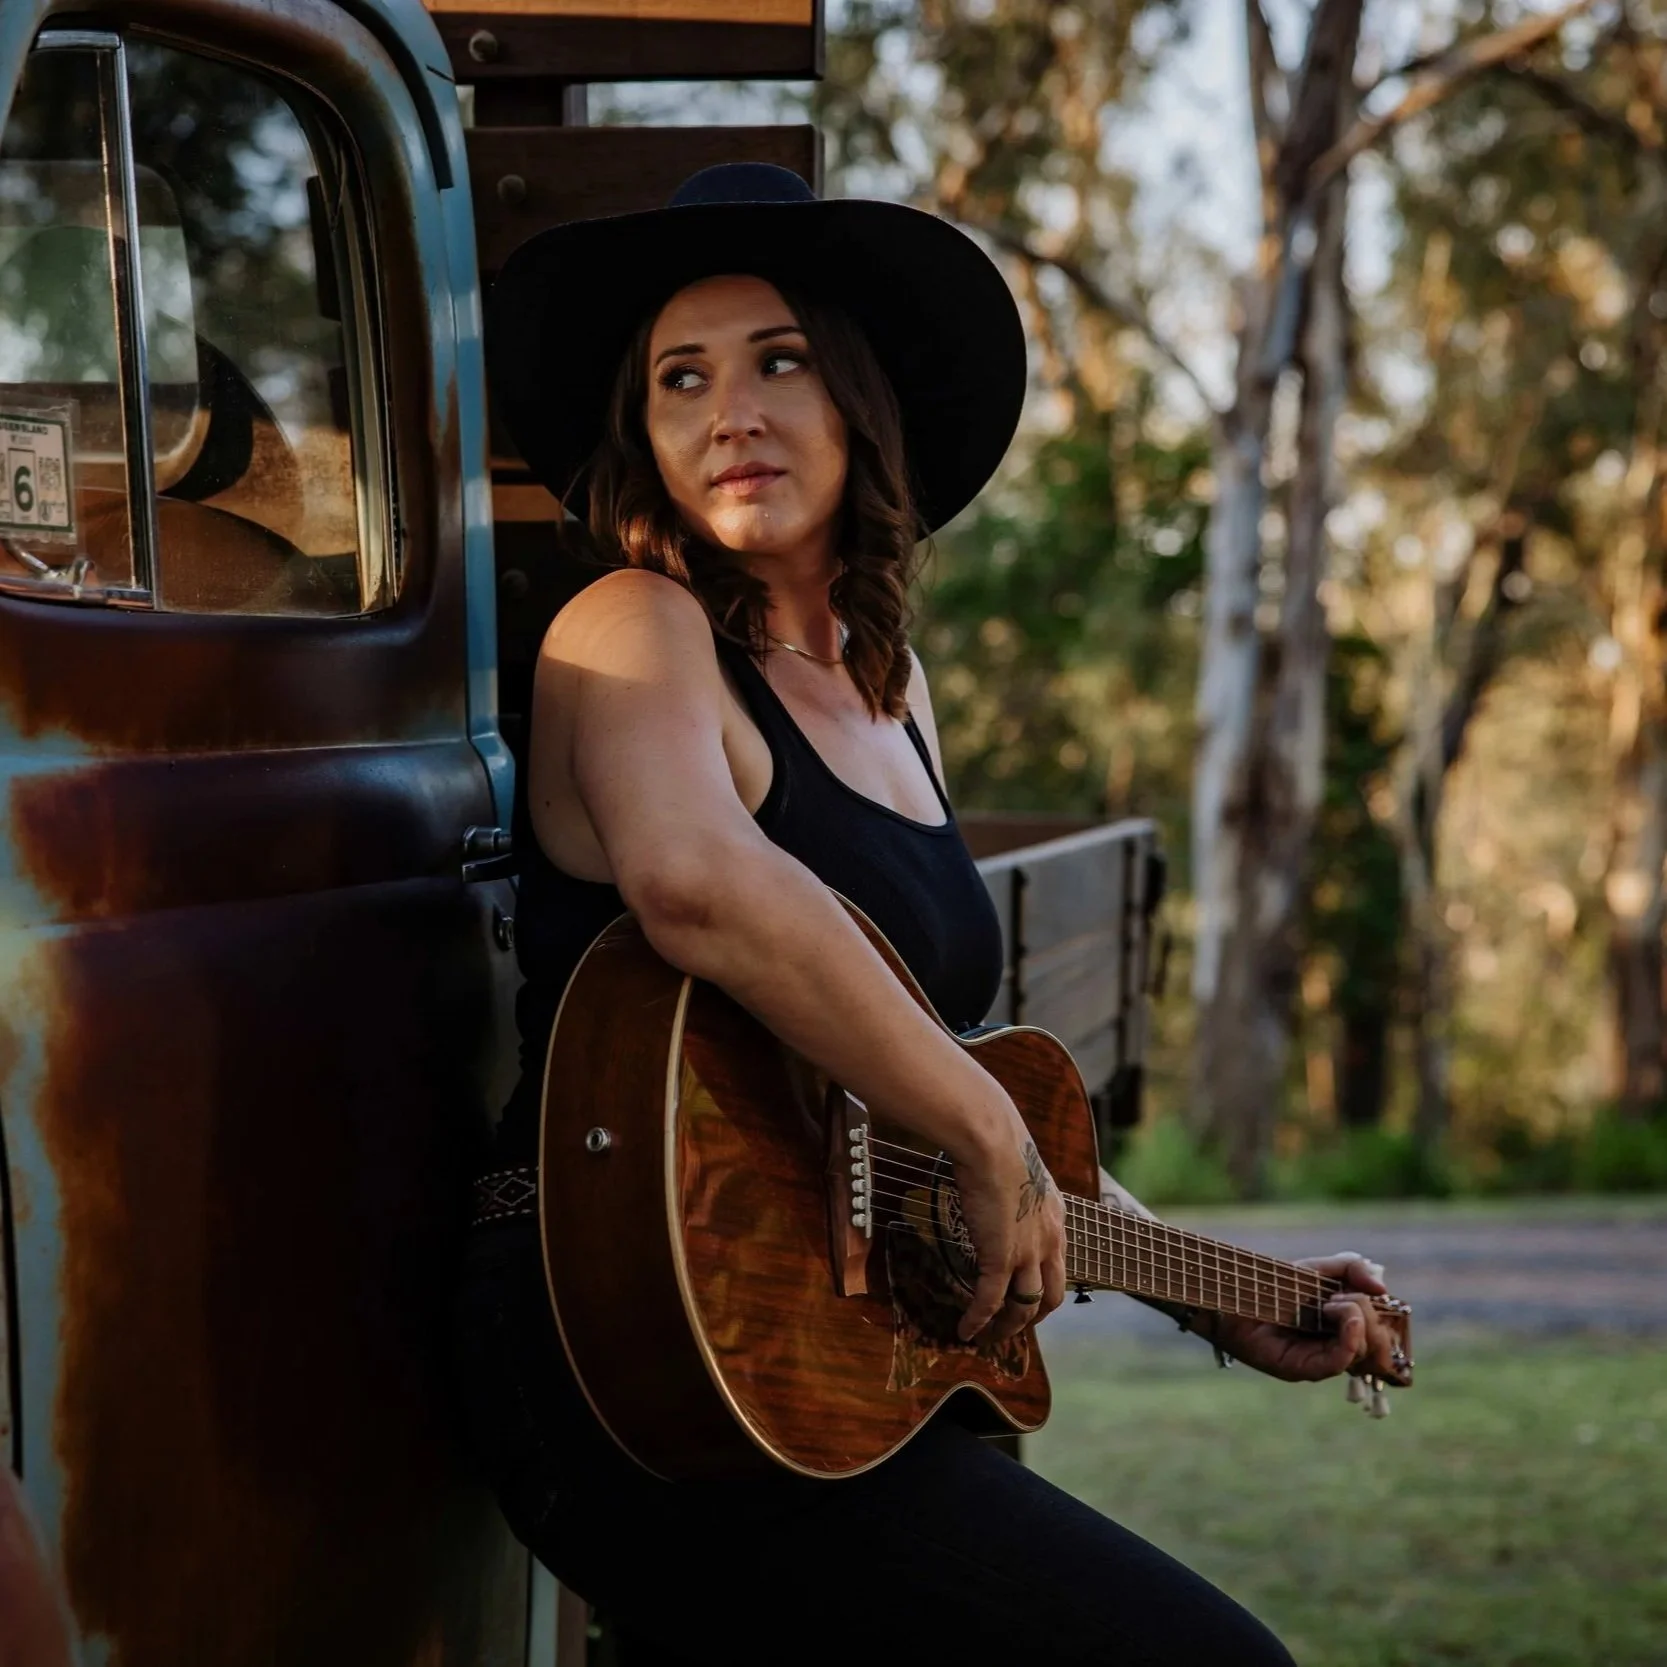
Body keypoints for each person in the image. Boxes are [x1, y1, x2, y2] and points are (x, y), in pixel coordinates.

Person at [455, 163, 1404, 1665]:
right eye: (678, 380)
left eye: (778, 361)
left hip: (824, 1379)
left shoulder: (898, 702)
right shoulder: (628, 629)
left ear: (859, 401)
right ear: (640, 433)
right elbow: (697, 884)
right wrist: (976, 1124)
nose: (730, 413)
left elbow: (958, 1086)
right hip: (634, 1359)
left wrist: (1220, 1292)